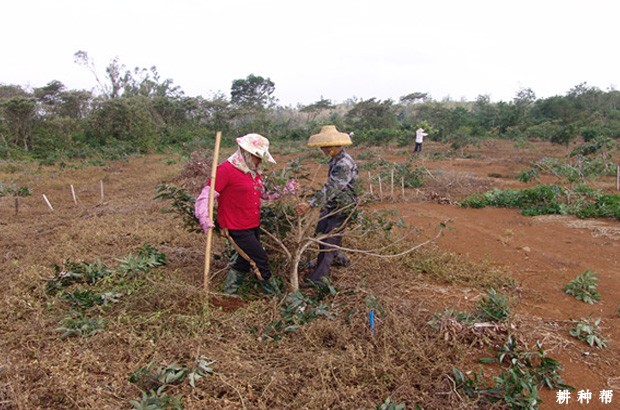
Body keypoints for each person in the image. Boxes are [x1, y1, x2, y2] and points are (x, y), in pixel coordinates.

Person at [194, 133, 278, 295]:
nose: (260, 161)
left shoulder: (253, 172)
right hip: (236, 227)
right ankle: (274, 295)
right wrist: (204, 217)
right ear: (246, 153)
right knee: (260, 259)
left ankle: (229, 292)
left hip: (253, 224)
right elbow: (206, 196)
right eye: (257, 157)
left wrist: (285, 190)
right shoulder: (225, 170)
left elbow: (264, 193)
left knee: (244, 260)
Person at [295, 125, 359, 284]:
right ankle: (340, 259)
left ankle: (318, 279)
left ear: (336, 145)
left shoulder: (343, 163)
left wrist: (311, 204)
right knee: (321, 231)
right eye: (322, 147)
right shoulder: (335, 159)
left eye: (326, 146)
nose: (323, 149)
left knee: (327, 242)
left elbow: (332, 188)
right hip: (333, 204)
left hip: (342, 206)